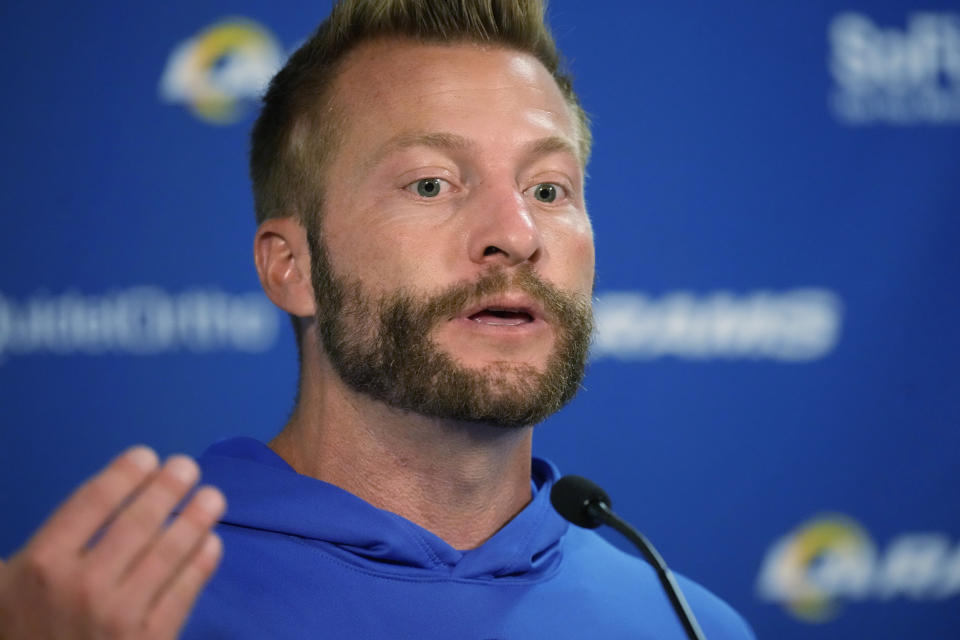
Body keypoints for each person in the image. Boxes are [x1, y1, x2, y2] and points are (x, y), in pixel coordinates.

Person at [0, 1, 756, 638]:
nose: (518, 233)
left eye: (550, 190)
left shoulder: (690, 623)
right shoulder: (102, 608)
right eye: (431, 184)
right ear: (290, 267)